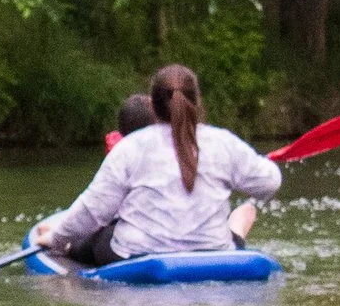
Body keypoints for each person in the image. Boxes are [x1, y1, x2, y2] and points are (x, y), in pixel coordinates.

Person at [35, 65, 280, 266]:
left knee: (101, 237)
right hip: (211, 251)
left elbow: (93, 210)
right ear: (197, 101)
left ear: (153, 105)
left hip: (137, 255)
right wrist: (251, 164)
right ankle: (235, 226)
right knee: (243, 213)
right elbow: (270, 182)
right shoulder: (223, 142)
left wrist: (57, 239)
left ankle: (66, 244)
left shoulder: (130, 147)